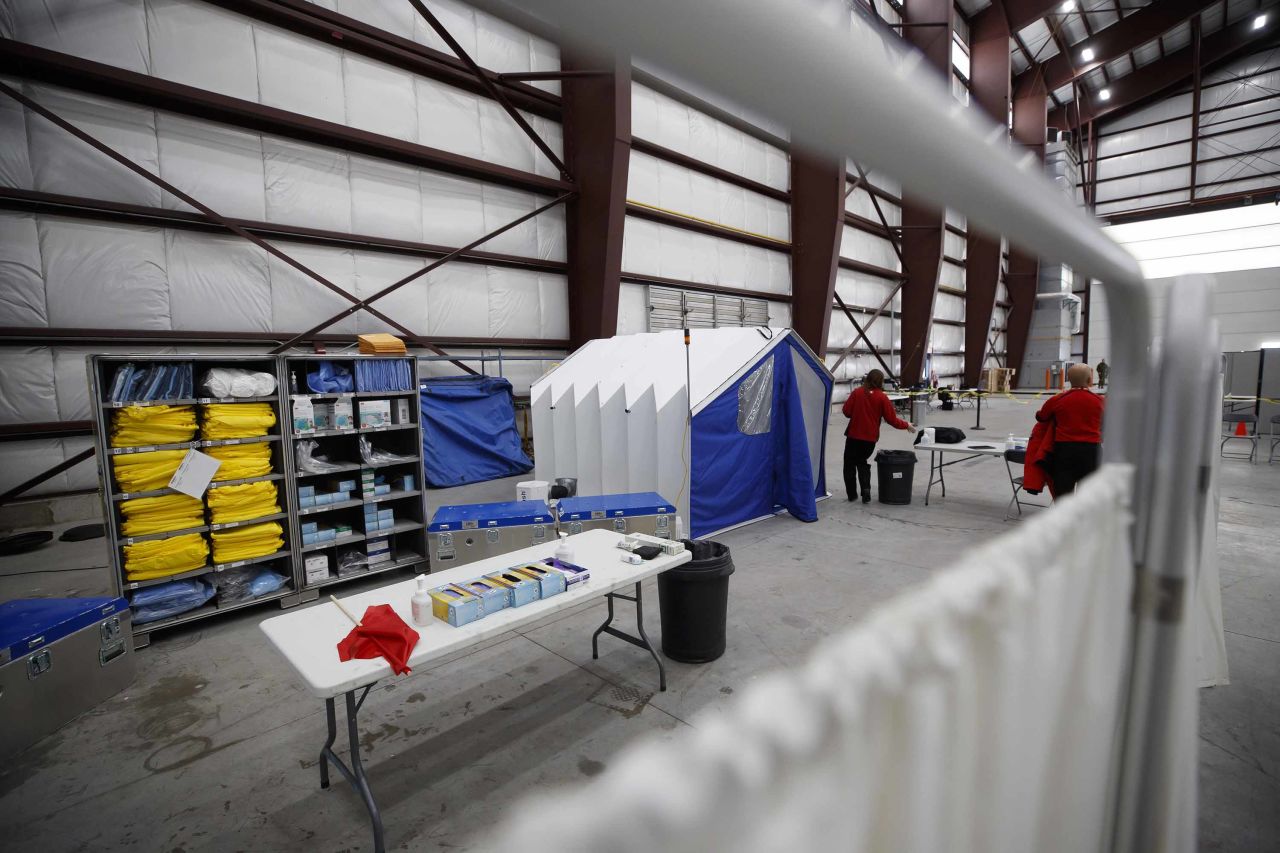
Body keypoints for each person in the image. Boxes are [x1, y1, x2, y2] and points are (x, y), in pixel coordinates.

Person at [842, 370, 915, 503]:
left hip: (853, 437)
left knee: (849, 465)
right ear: (881, 381)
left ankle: (852, 495)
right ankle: (866, 490)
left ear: (867, 379)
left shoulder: (857, 393)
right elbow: (892, 420)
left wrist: (858, 411)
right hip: (870, 440)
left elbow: (846, 412)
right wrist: (906, 425)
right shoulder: (882, 397)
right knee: (862, 462)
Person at [1034, 363, 1104, 495]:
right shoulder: (1100, 401)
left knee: (1064, 495)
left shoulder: (1057, 399)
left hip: (1064, 452)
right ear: (1090, 381)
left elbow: (1041, 417)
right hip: (1092, 452)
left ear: (1068, 380)